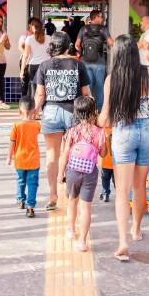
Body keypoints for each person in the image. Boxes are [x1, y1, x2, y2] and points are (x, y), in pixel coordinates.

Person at [99, 34, 149, 262]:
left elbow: (106, 118)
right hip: (148, 132)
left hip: (124, 133)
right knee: (139, 186)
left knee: (122, 190)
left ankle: (123, 242)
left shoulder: (113, 78)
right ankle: (136, 229)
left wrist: (95, 120)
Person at [33, 31, 91, 211]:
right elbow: (86, 94)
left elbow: (40, 94)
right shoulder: (77, 64)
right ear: (68, 45)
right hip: (73, 112)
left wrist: (33, 113)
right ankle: (71, 193)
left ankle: (52, 195)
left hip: (51, 111)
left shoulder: (44, 65)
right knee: (74, 155)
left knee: (52, 154)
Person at [58, 95, 107, 252]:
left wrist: (60, 173)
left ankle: (71, 230)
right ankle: (82, 241)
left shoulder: (72, 131)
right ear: (94, 111)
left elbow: (65, 154)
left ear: (76, 113)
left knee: (72, 201)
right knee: (86, 207)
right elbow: (103, 154)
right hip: (90, 173)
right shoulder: (99, 132)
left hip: (73, 171)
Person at [8, 96, 41, 218]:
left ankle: (21, 200)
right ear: (34, 111)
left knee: (21, 181)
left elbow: (12, 143)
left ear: (19, 112)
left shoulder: (16, 125)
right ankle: (30, 207)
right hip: (34, 160)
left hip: (20, 159)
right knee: (32, 183)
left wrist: (9, 157)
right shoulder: (37, 125)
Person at [76, 10, 113, 110]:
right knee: (100, 86)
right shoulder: (103, 29)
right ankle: (100, 109)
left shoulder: (83, 29)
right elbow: (111, 43)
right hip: (99, 62)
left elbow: (77, 45)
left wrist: (83, 51)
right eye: (101, 16)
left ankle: (87, 108)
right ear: (95, 17)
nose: (102, 19)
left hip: (85, 62)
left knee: (88, 85)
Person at [20, 18, 51, 99]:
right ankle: (44, 107)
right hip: (46, 65)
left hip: (33, 66)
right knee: (45, 87)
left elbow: (25, 56)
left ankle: (34, 108)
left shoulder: (29, 39)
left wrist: (22, 70)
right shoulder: (49, 38)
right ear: (41, 27)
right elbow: (51, 53)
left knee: (33, 87)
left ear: (31, 28)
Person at [99, 125, 114, 202]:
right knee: (117, 182)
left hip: (106, 163)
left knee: (105, 180)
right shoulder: (118, 128)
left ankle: (105, 194)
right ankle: (106, 194)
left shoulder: (102, 130)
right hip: (117, 163)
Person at [18, 21, 33, 97]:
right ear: (30, 25)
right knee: (25, 81)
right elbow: (20, 47)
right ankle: (24, 100)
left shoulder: (40, 35)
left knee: (35, 82)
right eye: (33, 24)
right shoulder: (25, 35)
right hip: (25, 61)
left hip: (35, 62)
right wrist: (27, 53)